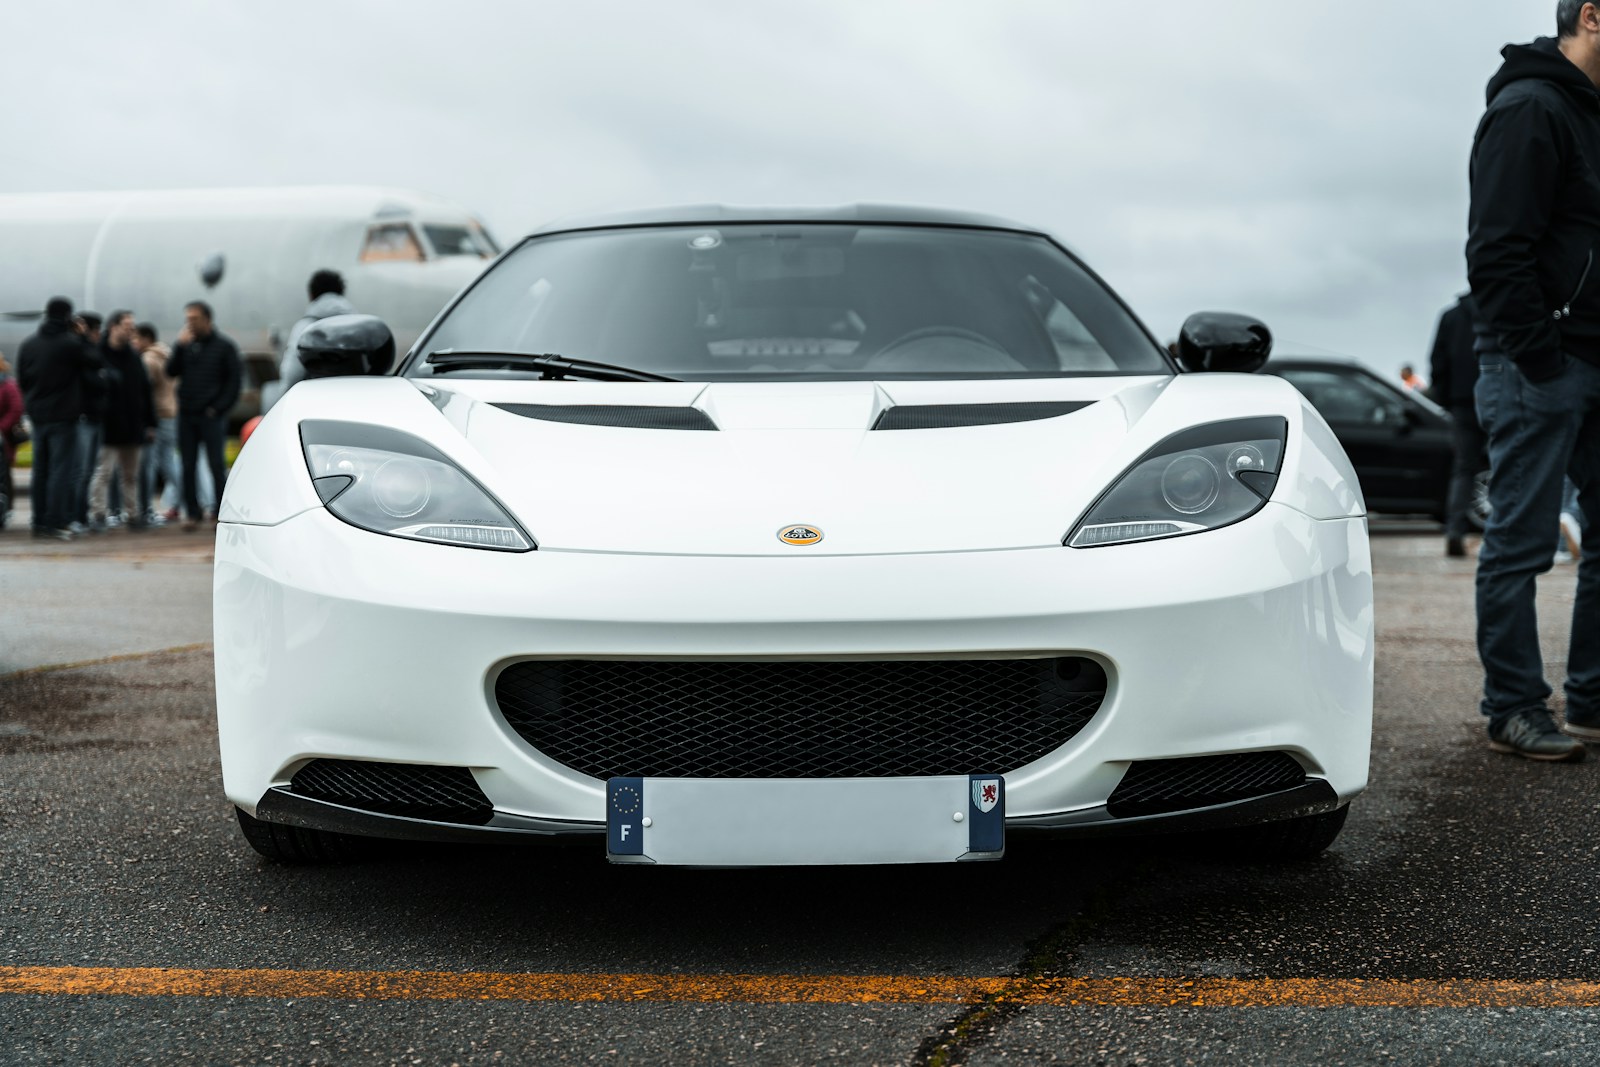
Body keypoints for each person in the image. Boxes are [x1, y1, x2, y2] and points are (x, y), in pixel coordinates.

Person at [1465, 2, 1600, 761]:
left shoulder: (1591, 118)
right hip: (1537, 363)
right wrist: (1540, 357)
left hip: (1592, 358)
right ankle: (1514, 706)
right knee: (1521, 542)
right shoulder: (1530, 108)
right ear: (1591, 15)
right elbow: (1494, 252)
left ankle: (1591, 696)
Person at [15, 297, 87, 540]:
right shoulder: (70, 344)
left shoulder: (29, 344)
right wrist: (82, 335)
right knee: (60, 470)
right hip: (63, 415)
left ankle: (39, 520)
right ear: (68, 316)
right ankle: (56, 521)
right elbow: (94, 361)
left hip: (38, 415)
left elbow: (22, 379)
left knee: (41, 470)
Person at [165, 300, 240, 531]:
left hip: (211, 416)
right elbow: (171, 371)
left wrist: (217, 409)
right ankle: (193, 512)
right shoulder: (186, 346)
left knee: (216, 464)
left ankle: (220, 511)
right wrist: (178, 346)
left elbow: (233, 382)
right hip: (187, 415)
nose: (190, 324)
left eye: (194, 319)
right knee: (188, 465)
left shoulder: (224, 347)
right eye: (188, 319)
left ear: (207, 319)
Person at [1428, 294, 1486, 558]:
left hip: (1461, 402)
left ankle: (1455, 530)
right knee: (1507, 464)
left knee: (1463, 470)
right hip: (1497, 397)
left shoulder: (1451, 316)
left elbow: (1437, 362)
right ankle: (1503, 533)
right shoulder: (1497, 310)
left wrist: (1446, 399)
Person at [94, 311, 155, 529]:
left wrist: (150, 422)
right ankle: (98, 514)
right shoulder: (98, 354)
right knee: (104, 472)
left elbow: (145, 391)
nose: (131, 330)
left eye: (132, 326)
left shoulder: (134, 357)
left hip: (132, 425)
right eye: (127, 325)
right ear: (113, 326)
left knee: (131, 475)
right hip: (109, 425)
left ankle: (133, 515)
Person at [268, 269, 355, 408]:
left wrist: (283, 400)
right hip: (352, 403)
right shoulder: (356, 325)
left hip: (315, 405)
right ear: (342, 294)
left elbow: (292, 373)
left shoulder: (306, 326)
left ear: (311, 295)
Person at [134, 323, 178, 525]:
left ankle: (147, 508)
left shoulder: (149, 360)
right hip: (170, 411)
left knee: (151, 464)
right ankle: (195, 500)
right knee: (168, 461)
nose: (133, 342)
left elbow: (142, 390)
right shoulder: (165, 354)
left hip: (158, 414)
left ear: (145, 339)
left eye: (136, 338)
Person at [72, 311, 108, 532]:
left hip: (94, 416)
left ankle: (81, 516)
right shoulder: (80, 349)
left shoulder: (87, 350)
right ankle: (77, 516)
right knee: (82, 471)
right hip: (85, 417)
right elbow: (95, 374)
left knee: (88, 470)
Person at [0, 352, 23, 528]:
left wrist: (1, 428)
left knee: (4, 476)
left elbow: (16, 409)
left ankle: (5, 510)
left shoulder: (8, 385)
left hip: (3, 440)